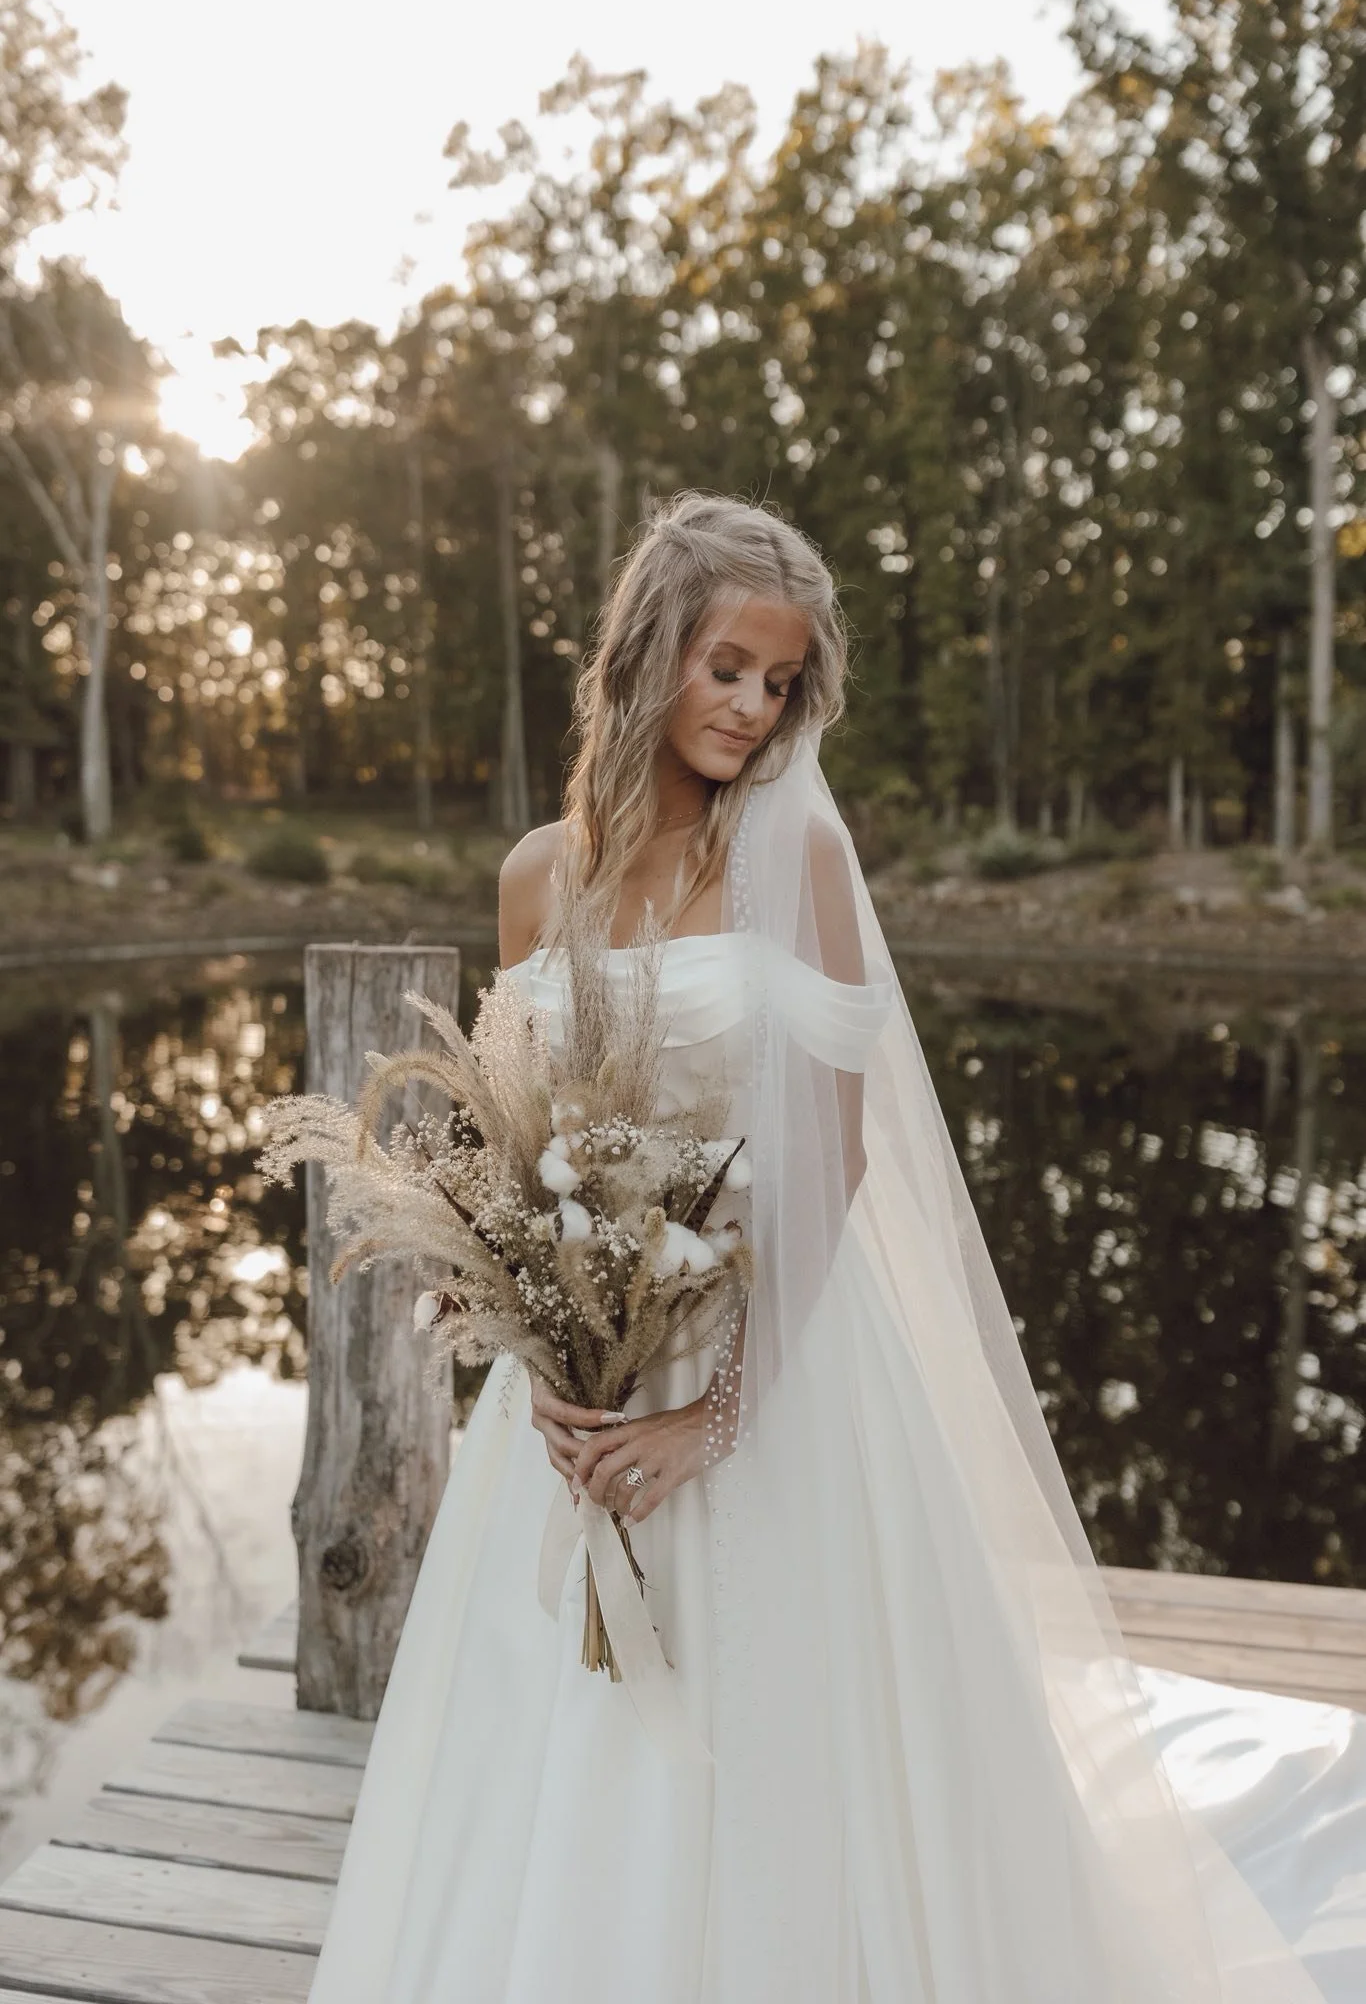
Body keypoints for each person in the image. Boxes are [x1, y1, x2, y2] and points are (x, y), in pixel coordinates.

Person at [306, 492, 1352, 2003]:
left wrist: (710, 1418)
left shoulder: (789, 864)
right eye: (725, 667)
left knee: (779, 1731)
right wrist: (535, 1344)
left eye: (779, 682)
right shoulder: (540, 871)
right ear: (650, 650)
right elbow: (514, 1136)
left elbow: (838, 1152)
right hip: (578, 1374)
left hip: (766, 1353)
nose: (750, 709)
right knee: (554, 1732)